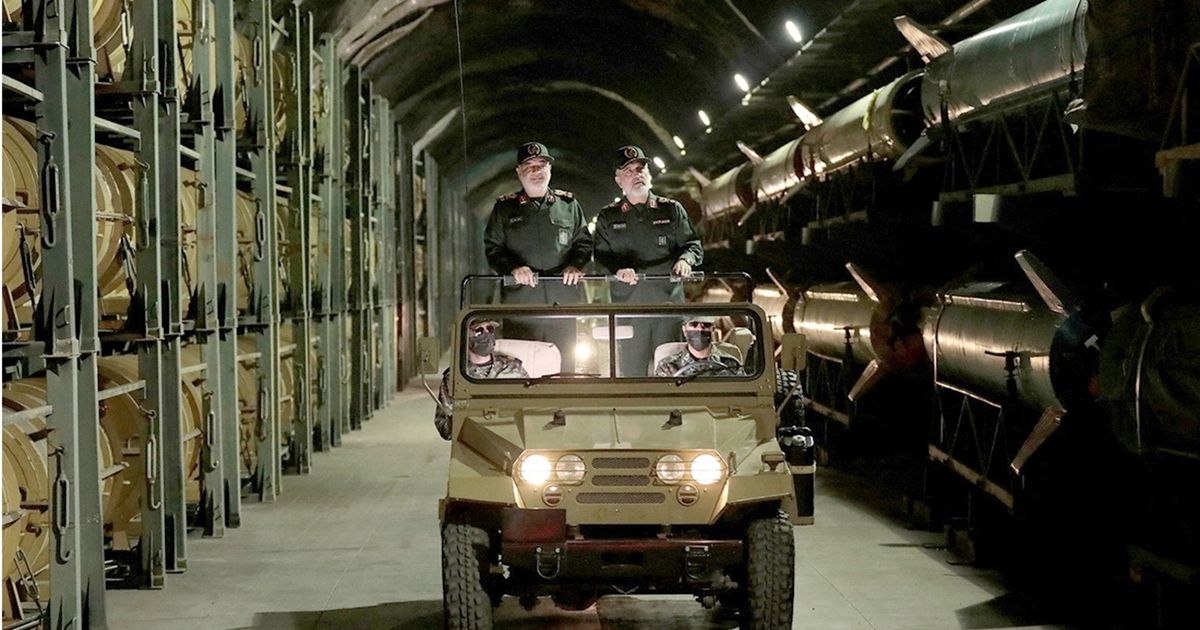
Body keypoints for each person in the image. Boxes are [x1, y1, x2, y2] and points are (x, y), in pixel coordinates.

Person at [593, 145, 703, 375]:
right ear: (618, 180)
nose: (637, 174)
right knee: (632, 375)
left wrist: (685, 260)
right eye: (629, 171)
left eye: (641, 169)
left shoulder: (671, 210)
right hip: (629, 310)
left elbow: (692, 244)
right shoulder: (608, 216)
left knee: (672, 373)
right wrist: (618, 270)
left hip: (668, 307)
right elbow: (601, 258)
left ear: (649, 174)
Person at [483, 141, 591, 369]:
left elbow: (583, 242)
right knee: (522, 370)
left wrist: (576, 265)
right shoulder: (504, 208)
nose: (536, 171)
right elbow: (493, 248)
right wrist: (513, 269)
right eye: (529, 166)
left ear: (549, 169)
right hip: (521, 306)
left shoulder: (569, 205)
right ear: (519, 172)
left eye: (541, 165)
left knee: (565, 370)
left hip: (562, 304)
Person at [434, 318, 529, 440]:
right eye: (479, 331)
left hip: (513, 438)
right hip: (475, 443)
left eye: (490, 329)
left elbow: (530, 406)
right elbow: (444, 428)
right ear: (465, 337)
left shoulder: (513, 367)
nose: (487, 334)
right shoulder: (455, 377)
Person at [654, 316, 745, 377]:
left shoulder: (731, 365)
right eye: (693, 324)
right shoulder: (667, 366)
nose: (700, 329)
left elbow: (743, 395)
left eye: (706, 324)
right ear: (684, 330)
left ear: (713, 329)